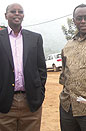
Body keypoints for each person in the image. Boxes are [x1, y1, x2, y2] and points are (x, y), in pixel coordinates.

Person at [0, 3, 47, 131]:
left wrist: (40, 92)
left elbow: (42, 69)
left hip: (31, 103)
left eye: (20, 11)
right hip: (4, 104)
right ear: (6, 15)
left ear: (23, 15)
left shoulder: (35, 38)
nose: (17, 14)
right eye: (13, 11)